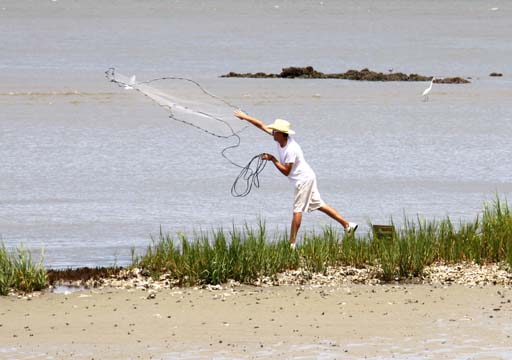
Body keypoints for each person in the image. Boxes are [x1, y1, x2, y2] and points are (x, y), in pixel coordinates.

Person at [234, 110, 358, 248]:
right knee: (319, 205)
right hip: (307, 177)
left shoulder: (291, 149)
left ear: (282, 133)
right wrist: (244, 117)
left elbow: (287, 172)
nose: (272, 132)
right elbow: (261, 125)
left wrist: (273, 159)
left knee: (297, 210)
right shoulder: (279, 138)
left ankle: (291, 245)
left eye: (275, 131)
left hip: (303, 180)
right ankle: (348, 226)